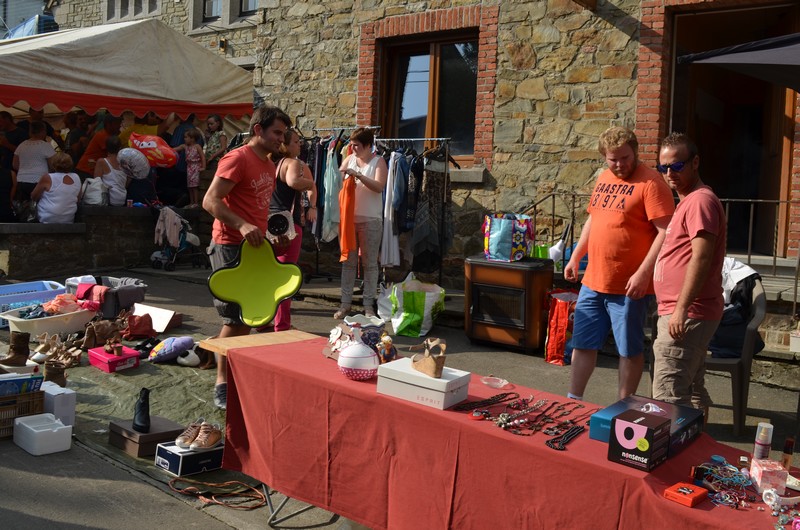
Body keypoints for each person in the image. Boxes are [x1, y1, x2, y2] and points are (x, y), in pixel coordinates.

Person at [564, 126, 675, 401]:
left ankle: (624, 407)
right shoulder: (604, 178)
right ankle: (573, 399)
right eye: (613, 159)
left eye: (625, 158)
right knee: (583, 343)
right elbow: (594, 219)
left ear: (635, 152)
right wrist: (576, 256)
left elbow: (665, 231)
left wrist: (643, 273)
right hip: (593, 279)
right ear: (604, 157)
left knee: (628, 349)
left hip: (629, 285)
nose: (619, 165)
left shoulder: (651, 183)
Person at [202, 105, 292, 410]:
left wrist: (271, 240)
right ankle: (222, 382)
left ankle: (236, 373)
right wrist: (241, 225)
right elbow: (209, 201)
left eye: (283, 134)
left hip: (254, 249)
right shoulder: (237, 158)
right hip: (228, 245)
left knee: (252, 316)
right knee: (235, 318)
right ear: (257, 130)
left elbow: (257, 209)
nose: (281, 139)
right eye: (276, 132)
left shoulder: (268, 165)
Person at [652, 133, 726, 417]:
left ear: (695, 162)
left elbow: (702, 257)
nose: (669, 173)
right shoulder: (689, 200)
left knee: (669, 396)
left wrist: (681, 309)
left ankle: (679, 444)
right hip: (685, 311)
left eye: (677, 166)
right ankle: (698, 442)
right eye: (663, 167)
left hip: (688, 313)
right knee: (693, 391)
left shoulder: (699, 202)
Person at [334, 127, 388, 319]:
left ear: (367, 145)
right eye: (351, 144)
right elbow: (336, 181)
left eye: (356, 145)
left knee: (370, 264)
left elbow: (379, 187)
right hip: (349, 220)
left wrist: (358, 176)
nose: (353, 148)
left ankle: (368, 305)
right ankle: (345, 304)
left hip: (371, 220)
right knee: (348, 262)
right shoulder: (349, 159)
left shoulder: (378, 161)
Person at [268, 128, 317, 331]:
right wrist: (311, 183)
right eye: (296, 142)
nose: (300, 145)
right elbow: (293, 181)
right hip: (288, 225)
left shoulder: (272, 163)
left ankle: (263, 319)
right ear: (286, 146)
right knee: (286, 276)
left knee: (269, 274)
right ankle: (282, 324)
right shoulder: (293, 163)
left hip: (268, 221)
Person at [12, 121, 56, 202]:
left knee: (24, 206)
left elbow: (15, 165)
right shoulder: (45, 146)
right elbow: (53, 165)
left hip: (21, 181)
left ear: (30, 132)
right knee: (40, 205)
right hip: (40, 181)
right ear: (43, 131)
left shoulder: (21, 145)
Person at [31, 152, 81, 223]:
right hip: (68, 218)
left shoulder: (48, 177)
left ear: (53, 164)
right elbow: (78, 198)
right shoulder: (76, 177)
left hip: (47, 218)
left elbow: (33, 196)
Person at [77, 114, 122, 178]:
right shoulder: (103, 136)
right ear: (109, 124)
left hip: (91, 170)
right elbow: (115, 152)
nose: (120, 125)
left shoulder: (108, 135)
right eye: (117, 123)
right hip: (86, 170)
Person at [173, 128, 206, 207]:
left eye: (186, 137)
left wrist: (203, 167)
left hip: (196, 167)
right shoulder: (185, 146)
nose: (184, 139)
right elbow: (175, 149)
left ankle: (196, 202)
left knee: (194, 186)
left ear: (192, 138)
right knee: (190, 186)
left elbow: (202, 157)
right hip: (189, 167)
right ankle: (191, 202)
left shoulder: (197, 146)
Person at [94, 136, 128, 206]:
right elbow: (127, 183)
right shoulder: (125, 164)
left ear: (106, 147)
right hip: (122, 200)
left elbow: (96, 183)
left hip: (108, 200)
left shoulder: (101, 162)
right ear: (120, 148)